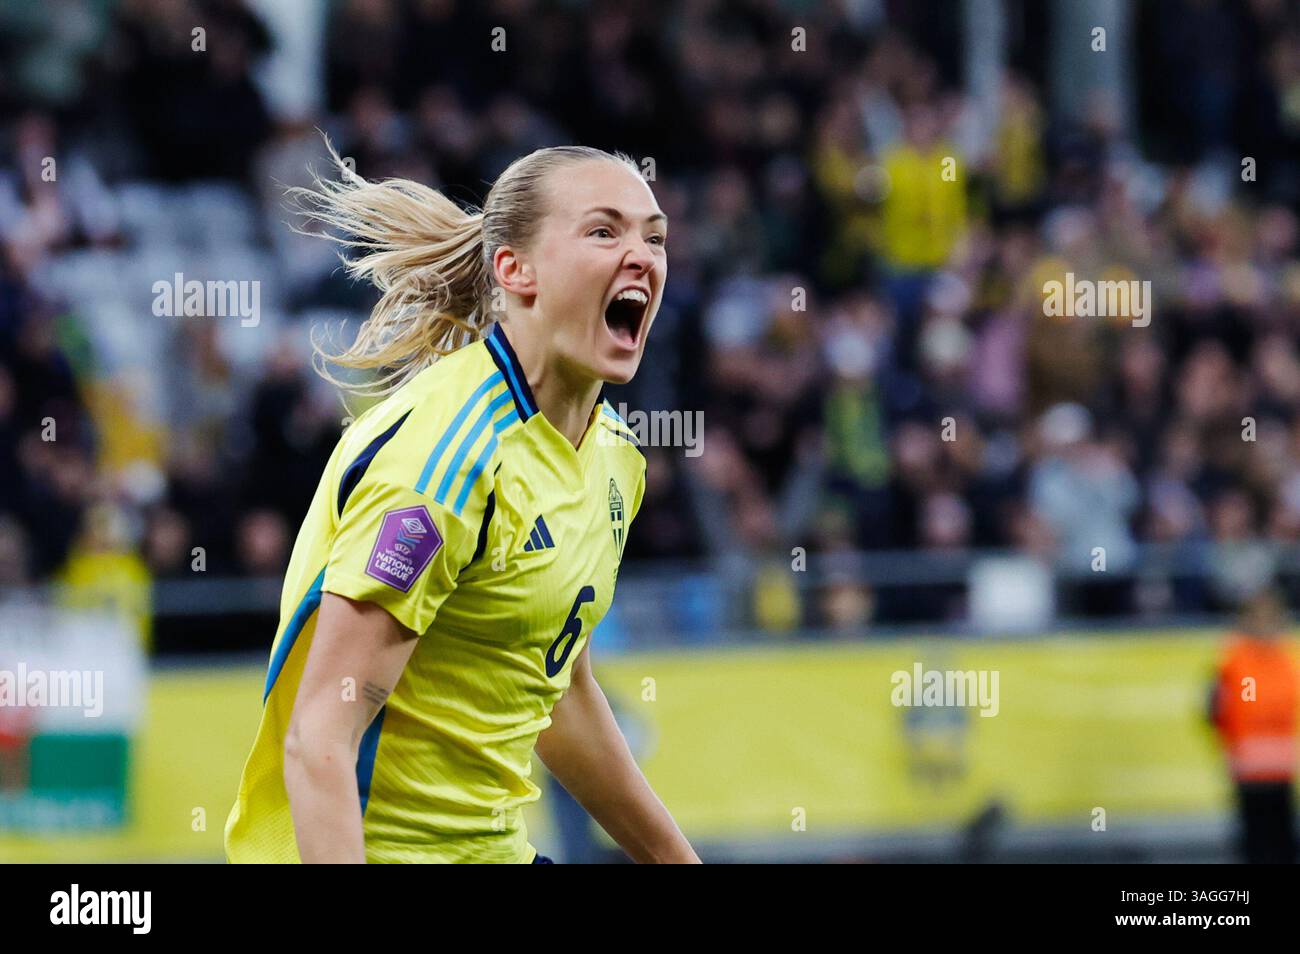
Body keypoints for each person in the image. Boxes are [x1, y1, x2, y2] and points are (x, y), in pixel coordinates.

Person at [225, 144, 699, 863]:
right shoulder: (446, 460)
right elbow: (321, 733)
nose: (642, 256)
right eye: (605, 231)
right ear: (516, 270)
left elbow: (555, 693)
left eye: (654, 236)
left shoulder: (612, 457)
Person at [1209, 588, 1298, 863]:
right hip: (1249, 766)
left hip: (1279, 765)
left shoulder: (1283, 661)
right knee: (1257, 839)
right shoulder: (1236, 662)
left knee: (1281, 838)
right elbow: (1220, 709)